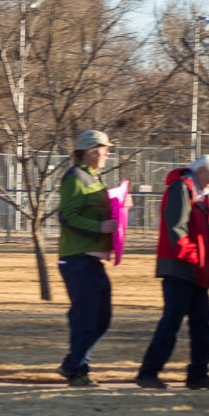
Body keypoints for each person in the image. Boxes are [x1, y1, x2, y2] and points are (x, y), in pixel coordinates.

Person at [135, 155, 209, 391]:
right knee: (171, 323)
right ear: (200, 171)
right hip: (180, 268)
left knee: (202, 324)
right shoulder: (181, 188)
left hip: (196, 271)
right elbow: (176, 227)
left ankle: (198, 375)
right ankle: (148, 373)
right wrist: (193, 257)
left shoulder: (201, 195)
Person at [56, 129, 117, 387]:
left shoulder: (94, 177)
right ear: (91, 150)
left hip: (91, 259)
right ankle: (78, 371)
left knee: (102, 317)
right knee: (86, 318)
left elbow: (98, 209)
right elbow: (67, 216)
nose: (107, 154)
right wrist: (99, 227)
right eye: (104, 149)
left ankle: (72, 362)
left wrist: (120, 206)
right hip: (77, 258)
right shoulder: (75, 177)